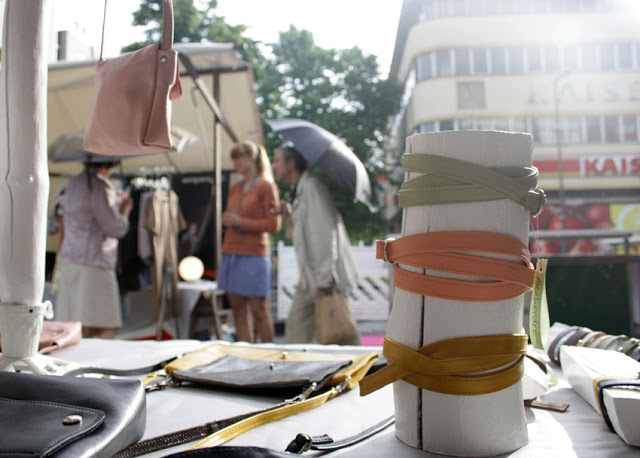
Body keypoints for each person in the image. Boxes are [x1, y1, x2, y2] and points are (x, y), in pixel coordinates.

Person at [271, 144, 361, 345]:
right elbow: (309, 229)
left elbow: (325, 234)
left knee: (340, 332)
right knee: (307, 329)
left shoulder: (311, 189)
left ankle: (362, 363)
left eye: (277, 161)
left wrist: (324, 277)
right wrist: (290, 216)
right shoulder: (303, 190)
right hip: (312, 277)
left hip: (322, 277)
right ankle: (295, 364)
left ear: (291, 163)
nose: (273, 166)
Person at [56, 160, 133, 339]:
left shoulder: (73, 183)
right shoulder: (99, 187)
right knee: (107, 324)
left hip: (71, 260)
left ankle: (79, 357)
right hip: (95, 263)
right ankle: (99, 359)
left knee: (78, 325)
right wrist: (125, 210)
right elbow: (115, 228)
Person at [217, 140, 281, 343]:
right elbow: (232, 217)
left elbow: (273, 224)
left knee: (258, 309)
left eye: (239, 157)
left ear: (251, 158)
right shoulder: (235, 188)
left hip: (254, 254)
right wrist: (227, 221)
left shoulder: (266, 187)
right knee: (238, 310)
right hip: (231, 250)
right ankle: (246, 353)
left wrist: (240, 222)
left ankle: (268, 353)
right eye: (234, 158)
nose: (235, 162)